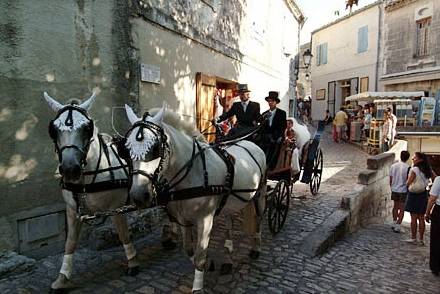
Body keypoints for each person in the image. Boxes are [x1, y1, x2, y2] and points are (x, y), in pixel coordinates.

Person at [404, 152, 432, 245]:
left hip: (414, 194)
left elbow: (408, 182)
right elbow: (435, 178)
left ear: (420, 160)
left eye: (415, 158)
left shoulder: (415, 169)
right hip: (423, 194)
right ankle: (421, 239)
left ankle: (413, 237)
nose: (413, 159)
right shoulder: (428, 170)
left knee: (414, 217)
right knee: (421, 218)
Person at [260, 91, 287, 169]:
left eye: (272, 101)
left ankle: (271, 165)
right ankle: (261, 162)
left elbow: (283, 127)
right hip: (266, 136)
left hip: (277, 136)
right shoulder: (264, 114)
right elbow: (262, 127)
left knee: (275, 145)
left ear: (276, 102)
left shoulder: (282, 113)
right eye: (269, 101)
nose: (270, 103)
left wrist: (278, 136)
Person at [389, 150, 411, 233]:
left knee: (395, 206)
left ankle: (394, 222)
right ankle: (398, 225)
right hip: (403, 190)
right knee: (402, 208)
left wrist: (391, 187)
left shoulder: (393, 166)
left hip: (394, 189)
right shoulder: (408, 167)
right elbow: (408, 180)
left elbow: (390, 179)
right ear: (407, 158)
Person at [425, 175, 440, 276]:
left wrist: (427, 212)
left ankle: (436, 266)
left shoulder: (439, 179)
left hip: (439, 211)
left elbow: (432, 198)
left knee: (436, 239)